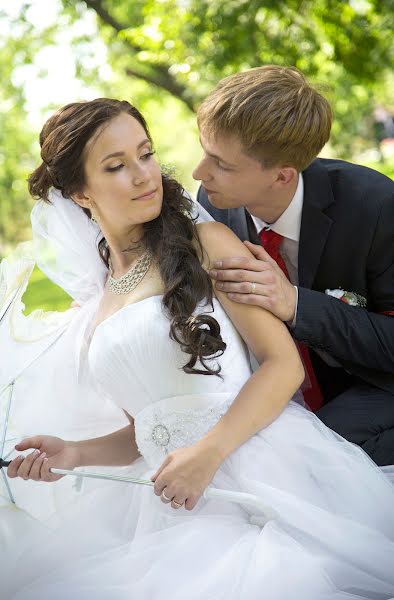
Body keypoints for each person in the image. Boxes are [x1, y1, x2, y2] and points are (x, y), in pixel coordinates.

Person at [1, 98, 394, 600]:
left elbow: (283, 367)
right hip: (168, 504)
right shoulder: (101, 301)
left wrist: (208, 454)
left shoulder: (206, 241)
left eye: (145, 154)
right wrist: (76, 452)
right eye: (117, 166)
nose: (144, 175)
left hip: (258, 470)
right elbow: (148, 428)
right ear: (79, 192)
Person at [194, 65, 394, 466]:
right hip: (275, 388)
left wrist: (296, 304)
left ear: (282, 176)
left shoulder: (374, 206)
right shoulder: (214, 202)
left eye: (223, 164)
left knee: (304, 460)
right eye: (204, 152)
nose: (201, 173)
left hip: (374, 383)